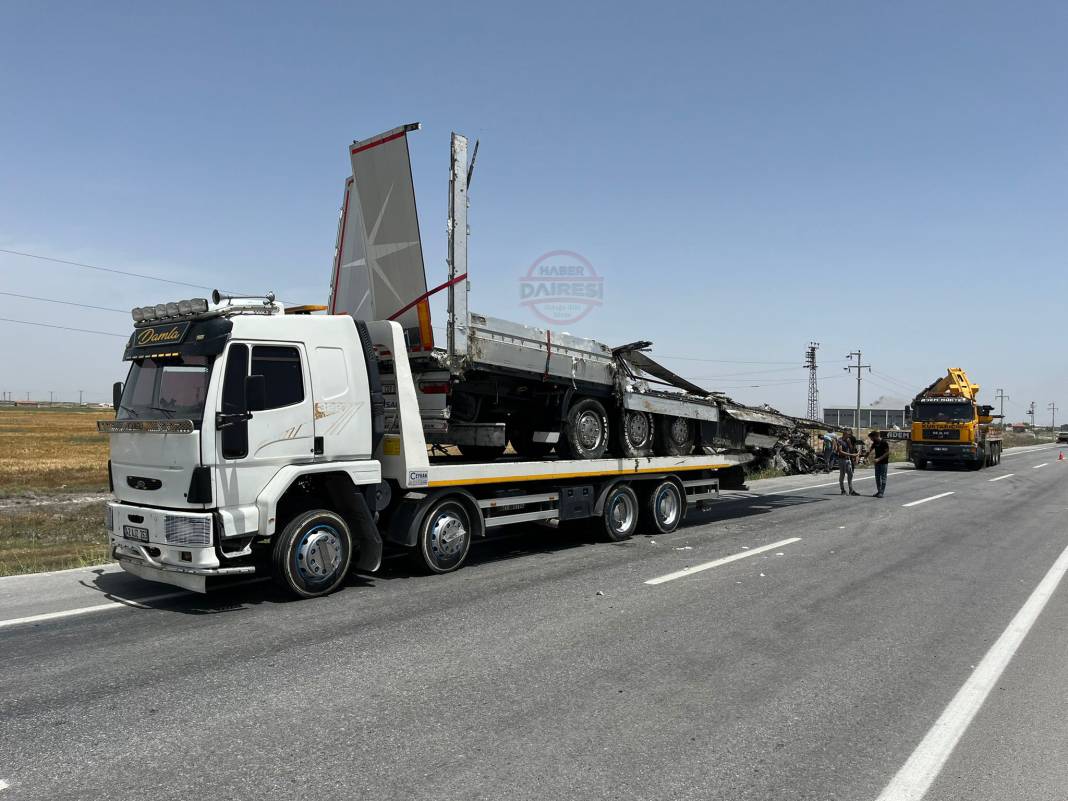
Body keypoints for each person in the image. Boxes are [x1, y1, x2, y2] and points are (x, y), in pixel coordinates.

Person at [835, 428, 860, 495]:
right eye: (848, 434)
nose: (849, 436)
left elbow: (851, 449)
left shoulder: (848, 440)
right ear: (844, 434)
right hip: (842, 459)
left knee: (850, 474)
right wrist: (851, 455)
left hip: (848, 459)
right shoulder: (839, 440)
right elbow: (840, 452)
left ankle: (851, 490)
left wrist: (849, 444)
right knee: (842, 475)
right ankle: (842, 490)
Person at [869, 430, 890, 498]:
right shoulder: (875, 442)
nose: (871, 440)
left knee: (883, 477)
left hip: (883, 462)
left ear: (875, 436)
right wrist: (865, 456)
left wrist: (879, 459)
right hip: (877, 463)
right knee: (877, 477)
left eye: (871, 438)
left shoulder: (884, 442)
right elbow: (870, 449)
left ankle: (881, 492)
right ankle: (879, 491)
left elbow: (887, 453)